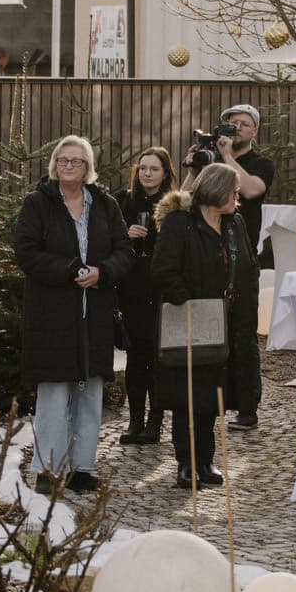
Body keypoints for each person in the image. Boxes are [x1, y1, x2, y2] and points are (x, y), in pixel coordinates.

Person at [14, 134, 135, 494]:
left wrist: (103, 272)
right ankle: (48, 469)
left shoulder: (106, 204)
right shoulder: (38, 203)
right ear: (54, 164)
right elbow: (26, 251)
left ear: (87, 168)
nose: (69, 166)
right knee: (53, 393)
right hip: (52, 314)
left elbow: (124, 249)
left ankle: (81, 467)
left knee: (90, 392)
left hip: (95, 312)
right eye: (63, 160)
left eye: (76, 161)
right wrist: (69, 269)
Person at [151, 163, 259, 489]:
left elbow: (248, 267)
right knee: (187, 396)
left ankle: (206, 460)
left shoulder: (234, 223)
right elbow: (163, 269)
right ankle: (186, 463)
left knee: (212, 397)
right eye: (233, 190)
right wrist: (187, 302)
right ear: (215, 189)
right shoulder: (180, 223)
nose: (237, 197)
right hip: (190, 320)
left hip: (227, 322)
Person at [217, 104, 274, 430]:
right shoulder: (211, 156)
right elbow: (183, 195)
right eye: (231, 123)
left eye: (243, 124)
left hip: (243, 259)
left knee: (243, 335)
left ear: (254, 132)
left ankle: (247, 409)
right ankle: (211, 403)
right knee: (210, 332)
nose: (236, 128)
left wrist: (227, 158)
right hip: (206, 256)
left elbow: (251, 190)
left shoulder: (260, 164)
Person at [115, 147, 176, 447]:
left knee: (158, 357)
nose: (147, 174)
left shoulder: (174, 204)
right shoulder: (124, 201)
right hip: (132, 286)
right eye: (143, 168)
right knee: (136, 356)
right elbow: (109, 239)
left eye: (154, 169)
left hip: (160, 287)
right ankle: (135, 419)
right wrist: (127, 234)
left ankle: (155, 420)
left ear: (165, 173)